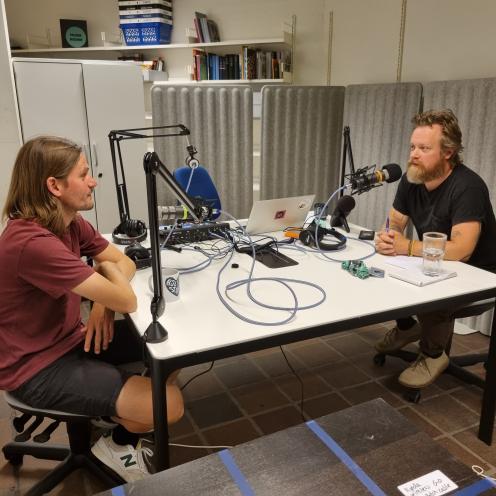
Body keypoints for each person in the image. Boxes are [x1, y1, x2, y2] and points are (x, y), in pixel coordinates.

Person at [0, 136, 184, 482]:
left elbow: (122, 261)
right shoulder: (32, 243)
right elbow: (127, 298)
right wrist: (108, 287)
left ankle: (116, 425)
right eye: (84, 174)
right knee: (169, 405)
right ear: (54, 186)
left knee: (174, 349)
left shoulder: (67, 222)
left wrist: (102, 300)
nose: (93, 181)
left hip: (70, 340)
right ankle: (115, 441)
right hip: (35, 369)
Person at [375, 109, 496, 389]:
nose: (414, 154)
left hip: (479, 274)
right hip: (437, 262)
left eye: (424, 148)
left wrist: (408, 247)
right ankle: (408, 328)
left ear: (448, 152)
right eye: (413, 147)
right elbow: (396, 220)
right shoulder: (412, 177)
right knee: (381, 267)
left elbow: (462, 250)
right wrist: (390, 239)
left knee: (432, 291)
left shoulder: (468, 187)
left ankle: (433, 354)